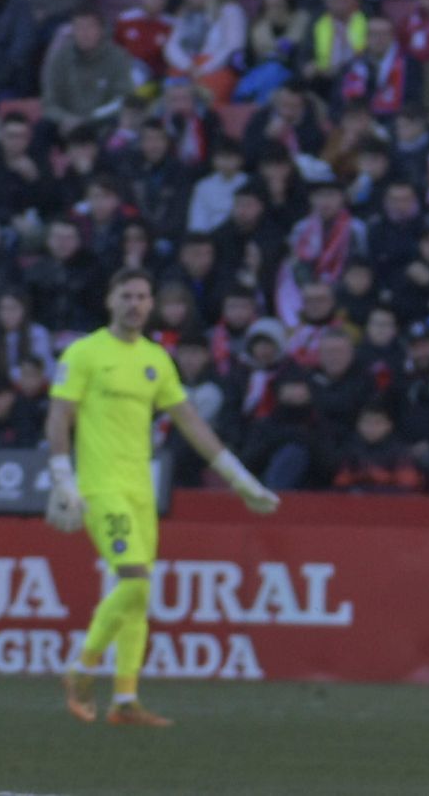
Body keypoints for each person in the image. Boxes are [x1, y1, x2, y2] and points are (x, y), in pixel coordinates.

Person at [46, 268, 278, 726]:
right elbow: (60, 416)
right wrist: (62, 479)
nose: (134, 303)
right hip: (100, 487)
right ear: (110, 300)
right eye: (126, 295)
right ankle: (81, 668)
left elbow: (191, 421)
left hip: (141, 489)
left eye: (142, 296)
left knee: (138, 594)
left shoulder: (156, 359)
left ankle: (125, 699)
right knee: (132, 579)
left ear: (150, 305)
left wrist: (240, 478)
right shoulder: (85, 352)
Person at [40, 8, 134, 132]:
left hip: (102, 121)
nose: (84, 33)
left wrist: (89, 119)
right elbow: (49, 102)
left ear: (101, 30)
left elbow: (122, 98)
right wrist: (66, 118)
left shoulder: (118, 57)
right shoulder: (60, 58)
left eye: (90, 27)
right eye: (79, 27)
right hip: (66, 122)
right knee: (42, 128)